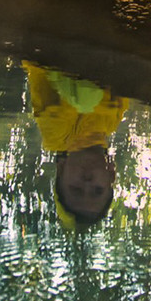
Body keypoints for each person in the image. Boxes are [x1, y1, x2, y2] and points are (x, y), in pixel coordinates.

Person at [24, 62, 127, 230]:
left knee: (86, 99)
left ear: (61, 168)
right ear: (111, 174)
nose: (87, 182)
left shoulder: (56, 133)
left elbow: (36, 66)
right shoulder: (111, 124)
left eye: (76, 189)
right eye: (97, 190)